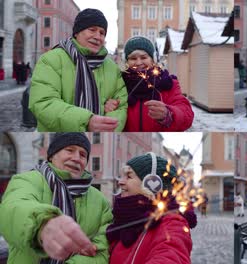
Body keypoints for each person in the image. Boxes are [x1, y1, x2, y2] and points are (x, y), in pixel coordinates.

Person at [0, 133, 112, 263]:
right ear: (52, 155)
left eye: (83, 155)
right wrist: (42, 225)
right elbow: (12, 209)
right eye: (69, 150)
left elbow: (102, 250)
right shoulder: (27, 180)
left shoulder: (100, 200)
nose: (76, 158)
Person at [29, 8, 128, 132]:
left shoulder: (112, 67)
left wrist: (107, 125)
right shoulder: (51, 59)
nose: (98, 37)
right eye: (92, 30)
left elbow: (121, 105)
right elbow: (44, 103)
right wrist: (86, 121)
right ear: (77, 32)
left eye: (102, 33)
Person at [107, 153, 196, 264]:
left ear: (151, 184)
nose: (120, 182)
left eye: (129, 176)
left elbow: (172, 255)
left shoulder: (172, 223)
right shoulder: (120, 218)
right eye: (122, 176)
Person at [104, 36, 193, 131]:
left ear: (153, 59)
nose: (138, 63)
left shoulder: (167, 83)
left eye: (144, 57)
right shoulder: (119, 83)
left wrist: (168, 114)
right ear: (126, 61)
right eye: (133, 58)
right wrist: (106, 108)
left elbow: (187, 116)